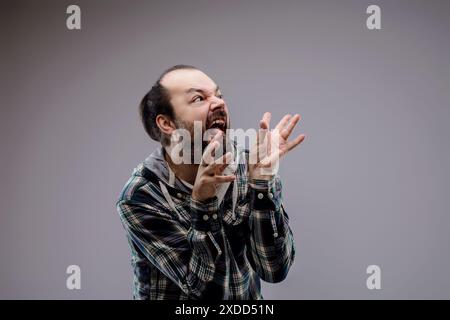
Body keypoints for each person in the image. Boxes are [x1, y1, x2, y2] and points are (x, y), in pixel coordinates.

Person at [116, 65, 306, 300]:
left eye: (219, 95)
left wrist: (262, 185)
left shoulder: (250, 166)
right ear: (167, 123)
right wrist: (203, 206)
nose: (219, 103)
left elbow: (275, 269)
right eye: (198, 98)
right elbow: (205, 293)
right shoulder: (141, 196)